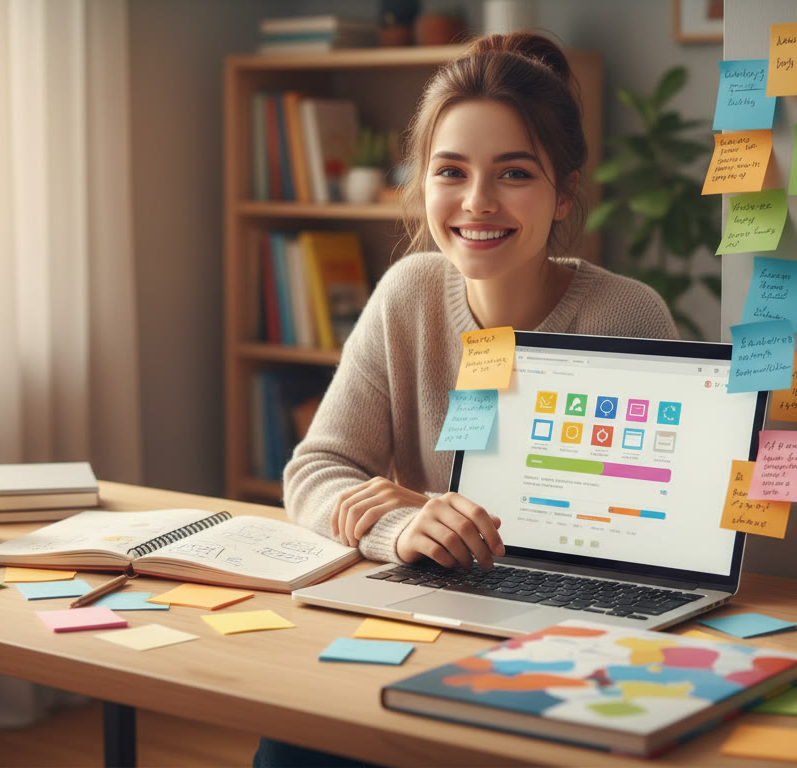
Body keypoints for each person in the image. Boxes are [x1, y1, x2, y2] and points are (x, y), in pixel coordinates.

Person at [257, 30, 679, 768]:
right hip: (428, 616)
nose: (476, 202)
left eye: (514, 173)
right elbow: (316, 468)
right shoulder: (409, 295)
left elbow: (655, 532)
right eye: (450, 171)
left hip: (575, 637)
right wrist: (399, 524)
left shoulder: (626, 314)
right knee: (296, 742)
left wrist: (451, 523)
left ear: (565, 192)